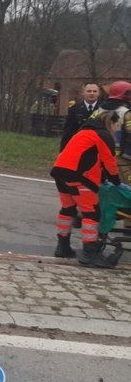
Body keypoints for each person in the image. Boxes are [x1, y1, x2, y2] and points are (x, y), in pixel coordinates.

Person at [51, 110, 122, 267]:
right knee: (91, 213)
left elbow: (88, 156)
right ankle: (89, 253)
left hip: (60, 172)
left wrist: (102, 177)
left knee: (68, 209)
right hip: (80, 177)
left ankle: (62, 246)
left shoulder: (84, 132)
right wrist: (116, 181)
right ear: (112, 123)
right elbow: (109, 162)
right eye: (118, 126)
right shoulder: (104, 136)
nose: (118, 130)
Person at [91, 81, 131, 184]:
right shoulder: (126, 113)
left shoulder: (97, 111)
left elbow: (85, 130)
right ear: (126, 94)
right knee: (126, 192)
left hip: (99, 160)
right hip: (123, 162)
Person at [60, 83, 101, 151]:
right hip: (79, 146)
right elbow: (68, 132)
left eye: (94, 91)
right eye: (89, 91)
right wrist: (63, 151)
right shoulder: (74, 109)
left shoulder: (104, 110)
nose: (92, 93)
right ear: (83, 93)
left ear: (98, 93)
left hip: (98, 147)